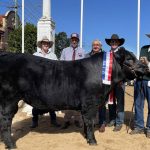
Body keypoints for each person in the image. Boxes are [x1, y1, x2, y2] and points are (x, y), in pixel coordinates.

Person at [30, 36, 60, 128]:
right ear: (41, 45)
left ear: (49, 45)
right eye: (44, 43)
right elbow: (31, 68)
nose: (45, 45)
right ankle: (34, 121)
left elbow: (57, 68)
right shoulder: (35, 55)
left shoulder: (53, 55)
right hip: (38, 82)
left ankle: (53, 120)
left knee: (50, 101)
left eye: (47, 43)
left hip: (50, 82)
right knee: (36, 102)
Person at [60, 33, 85, 129]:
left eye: (76, 39)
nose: (74, 41)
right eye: (72, 39)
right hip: (67, 79)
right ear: (70, 40)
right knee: (67, 99)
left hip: (78, 80)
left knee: (78, 100)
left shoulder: (82, 51)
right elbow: (61, 63)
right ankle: (67, 120)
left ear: (78, 40)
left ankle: (78, 119)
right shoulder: (65, 50)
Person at [130, 34, 150, 138]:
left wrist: (148, 64)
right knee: (138, 104)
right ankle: (139, 127)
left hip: (149, 81)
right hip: (139, 80)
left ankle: (149, 128)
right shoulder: (144, 48)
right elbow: (139, 64)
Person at [105, 34, 125, 131]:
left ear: (118, 43)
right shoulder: (107, 54)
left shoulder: (123, 54)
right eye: (112, 42)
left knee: (120, 102)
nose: (113, 43)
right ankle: (112, 120)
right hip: (109, 82)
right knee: (111, 101)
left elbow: (126, 69)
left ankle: (119, 122)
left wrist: (123, 79)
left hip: (120, 82)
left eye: (115, 42)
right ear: (110, 43)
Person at [85, 39, 106, 132]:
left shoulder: (106, 56)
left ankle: (102, 123)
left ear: (100, 46)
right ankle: (91, 122)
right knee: (90, 104)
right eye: (94, 44)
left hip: (101, 84)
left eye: (97, 44)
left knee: (101, 104)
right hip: (89, 84)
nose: (95, 46)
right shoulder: (87, 56)